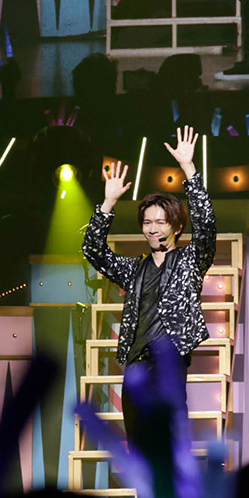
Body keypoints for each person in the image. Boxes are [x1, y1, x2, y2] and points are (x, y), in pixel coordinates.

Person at [81, 126, 215, 443]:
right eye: (147, 222)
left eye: (160, 222)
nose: (152, 229)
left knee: (168, 442)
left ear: (176, 226)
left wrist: (188, 168)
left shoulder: (190, 260)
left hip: (169, 362)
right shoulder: (134, 268)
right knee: (139, 445)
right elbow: (93, 250)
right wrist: (108, 202)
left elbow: (206, 225)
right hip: (135, 366)